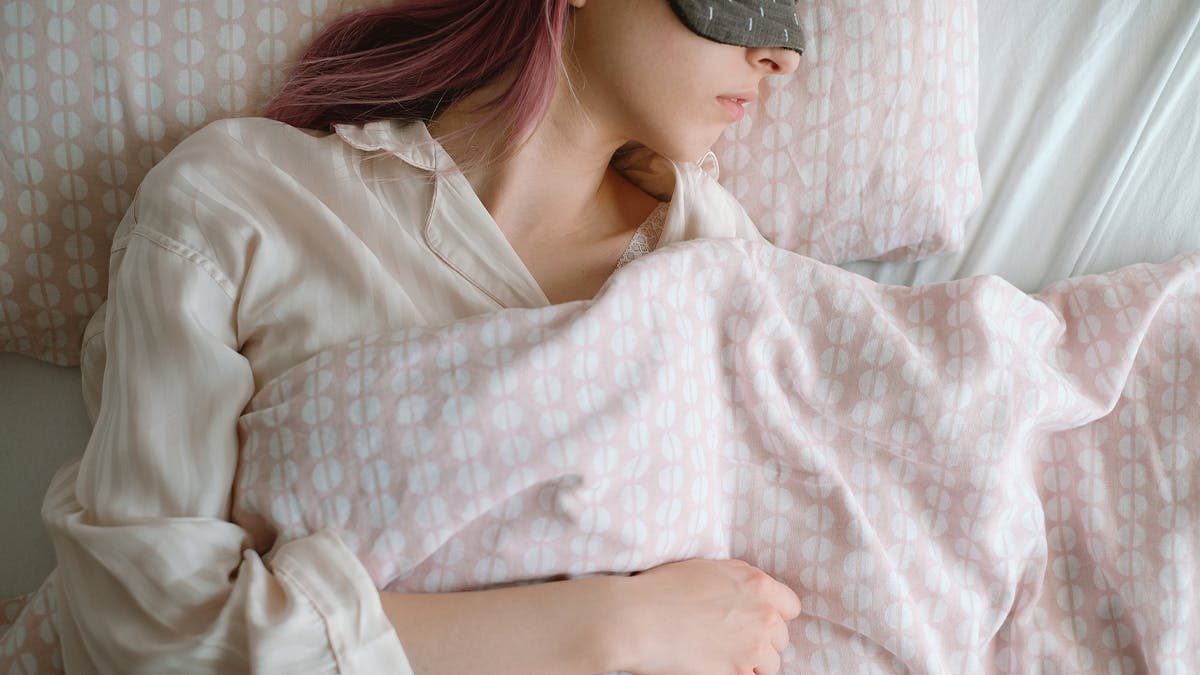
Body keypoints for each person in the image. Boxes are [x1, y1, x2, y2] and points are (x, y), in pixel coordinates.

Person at [42, 0, 804, 672]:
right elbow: (147, 629)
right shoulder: (236, 202)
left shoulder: (717, 257)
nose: (784, 54)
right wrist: (615, 627)